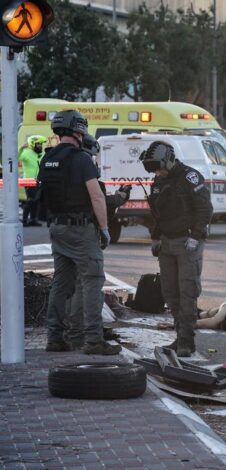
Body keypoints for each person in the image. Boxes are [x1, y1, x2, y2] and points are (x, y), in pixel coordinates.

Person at [37, 110, 120, 354]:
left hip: (56, 228)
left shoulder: (48, 158)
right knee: (92, 280)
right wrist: (104, 229)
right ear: (77, 130)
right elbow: (96, 196)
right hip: (80, 229)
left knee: (60, 284)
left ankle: (55, 338)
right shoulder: (81, 159)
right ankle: (93, 341)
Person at [140, 141, 213, 357]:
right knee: (170, 293)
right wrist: (156, 237)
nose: (157, 172)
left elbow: (204, 208)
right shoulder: (158, 180)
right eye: (153, 168)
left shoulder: (190, 177)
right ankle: (179, 334)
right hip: (167, 242)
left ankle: (186, 341)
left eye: (158, 167)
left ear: (169, 160)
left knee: (187, 292)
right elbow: (157, 213)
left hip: (187, 241)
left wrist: (196, 235)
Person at [64, 133, 131, 349]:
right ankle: (92, 338)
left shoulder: (64, 168)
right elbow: (99, 201)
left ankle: (73, 334)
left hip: (64, 233)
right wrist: (119, 200)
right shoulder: (86, 170)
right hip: (85, 234)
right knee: (90, 283)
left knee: (73, 285)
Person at [19, 135, 46, 226]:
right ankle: (24, 220)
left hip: (38, 181)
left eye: (41, 144)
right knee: (30, 201)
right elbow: (16, 158)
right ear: (32, 144)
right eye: (38, 144)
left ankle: (33, 220)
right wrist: (21, 149)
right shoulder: (26, 153)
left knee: (36, 201)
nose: (40, 146)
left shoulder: (40, 154)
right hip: (29, 181)